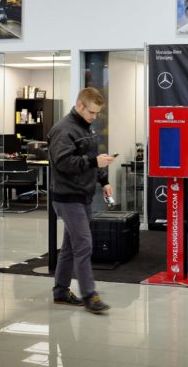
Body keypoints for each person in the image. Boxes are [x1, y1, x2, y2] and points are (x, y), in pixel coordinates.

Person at [48, 87, 116, 314]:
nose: (94, 117)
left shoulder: (86, 129)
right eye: (92, 113)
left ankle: (60, 291)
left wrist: (104, 181)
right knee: (84, 244)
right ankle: (90, 295)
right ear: (79, 105)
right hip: (68, 198)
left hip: (83, 195)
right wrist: (94, 162)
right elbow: (64, 163)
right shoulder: (63, 130)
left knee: (70, 246)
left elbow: (93, 161)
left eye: (97, 113)